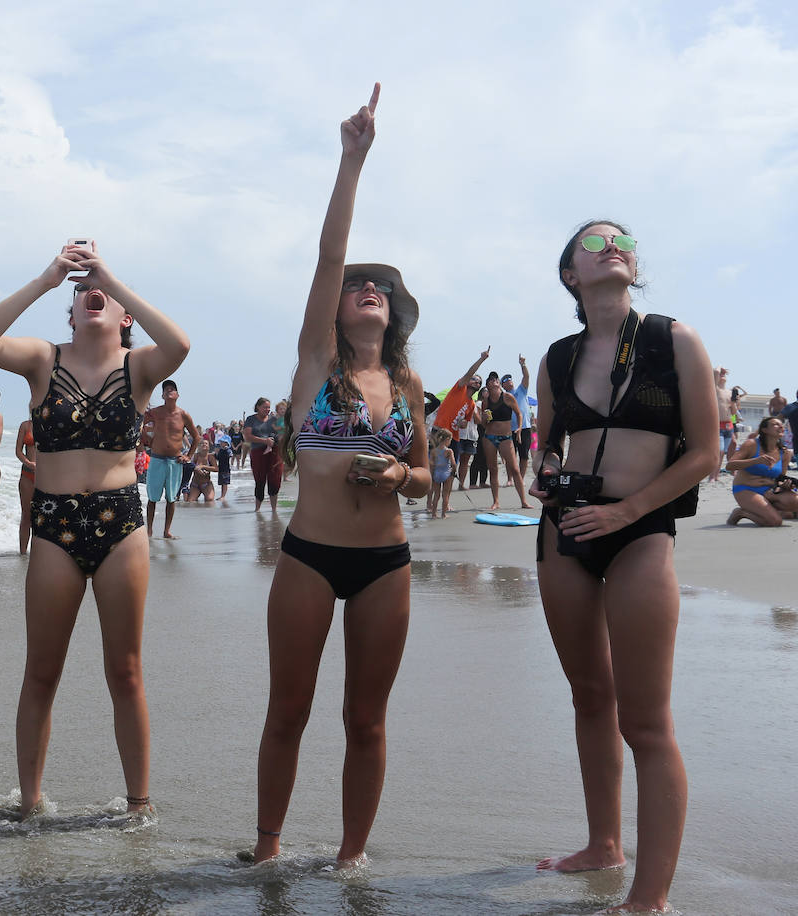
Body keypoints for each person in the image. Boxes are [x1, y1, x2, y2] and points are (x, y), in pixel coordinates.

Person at [253, 84, 429, 867]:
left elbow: (426, 477)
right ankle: (267, 848)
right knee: (288, 709)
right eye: (361, 286)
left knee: (368, 719)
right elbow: (330, 256)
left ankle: (352, 857)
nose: (368, 290)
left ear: (394, 315)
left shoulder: (411, 389)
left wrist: (401, 473)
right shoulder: (316, 364)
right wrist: (351, 160)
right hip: (309, 556)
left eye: (382, 290)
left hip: (386, 562)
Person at [530, 219, 718, 913]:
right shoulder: (556, 357)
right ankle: (603, 844)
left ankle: (649, 897)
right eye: (594, 241)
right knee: (589, 696)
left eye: (625, 242)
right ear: (570, 276)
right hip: (565, 532)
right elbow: (549, 443)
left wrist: (623, 512)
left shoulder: (674, 340)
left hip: (640, 531)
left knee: (645, 721)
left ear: (634, 271)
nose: (614, 246)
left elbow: (705, 454)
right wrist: (547, 476)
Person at [0, 241, 190, 818]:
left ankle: (139, 804)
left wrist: (112, 278)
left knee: (127, 670)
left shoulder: (139, 367)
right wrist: (46, 277)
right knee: (41, 670)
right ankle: (30, 803)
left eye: (104, 294)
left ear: (123, 312)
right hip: (55, 525)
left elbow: (180, 343)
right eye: (82, 293)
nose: (92, 294)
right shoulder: (44, 359)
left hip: (121, 525)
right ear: (70, 312)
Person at [143, 380, 197, 538]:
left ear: (177, 395)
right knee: (152, 497)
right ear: (162, 395)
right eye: (166, 390)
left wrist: (188, 456)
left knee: (171, 498)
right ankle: (149, 530)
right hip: (157, 459)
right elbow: (140, 424)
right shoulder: (155, 412)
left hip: (175, 461)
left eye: (172, 389)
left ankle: (167, 531)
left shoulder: (183, 415)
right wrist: (146, 439)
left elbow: (196, 437)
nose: (169, 391)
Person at [725, 417, 798, 527]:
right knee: (775, 522)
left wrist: (784, 485)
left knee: (797, 502)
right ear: (764, 430)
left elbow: (780, 478)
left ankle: (766, 509)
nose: (781, 426)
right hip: (746, 489)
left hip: (769, 490)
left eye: (782, 425)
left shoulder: (785, 453)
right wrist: (756, 460)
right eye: (775, 424)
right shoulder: (751, 444)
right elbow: (730, 465)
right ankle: (741, 513)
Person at [433, 350, 489, 498]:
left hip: (454, 437)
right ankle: (429, 503)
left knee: (452, 468)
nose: (476, 382)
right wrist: (481, 359)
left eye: (479, 382)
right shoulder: (460, 388)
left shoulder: (471, 404)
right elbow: (470, 372)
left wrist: (463, 423)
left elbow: (466, 423)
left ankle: (446, 500)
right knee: (434, 465)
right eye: (474, 379)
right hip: (439, 430)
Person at [476, 371, 532, 510]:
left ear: (499, 384)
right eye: (491, 380)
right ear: (487, 386)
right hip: (489, 437)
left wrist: (519, 428)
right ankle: (496, 502)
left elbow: (519, 413)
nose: (494, 381)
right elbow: (484, 424)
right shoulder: (486, 401)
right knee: (493, 469)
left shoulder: (508, 397)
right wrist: (484, 418)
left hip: (506, 437)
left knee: (514, 469)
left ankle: (524, 501)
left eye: (496, 379)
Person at [245, 398, 282, 511]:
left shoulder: (274, 419)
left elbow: (282, 432)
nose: (267, 409)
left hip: (274, 452)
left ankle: (274, 510)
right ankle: (257, 510)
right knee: (260, 480)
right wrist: (264, 441)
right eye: (265, 407)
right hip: (258, 452)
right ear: (258, 407)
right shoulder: (251, 419)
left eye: (268, 407)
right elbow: (247, 436)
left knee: (275, 480)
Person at [503, 358, 533, 481]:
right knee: (511, 456)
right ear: (503, 385)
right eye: (505, 380)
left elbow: (526, 376)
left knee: (524, 455)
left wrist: (523, 364)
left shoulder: (521, 390)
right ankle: (510, 479)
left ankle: (520, 478)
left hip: (524, 427)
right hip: (510, 429)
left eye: (510, 379)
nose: (509, 381)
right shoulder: (503, 396)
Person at [16, 418, 37, 554]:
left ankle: (38, 554)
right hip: (27, 473)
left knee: (42, 517)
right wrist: (28, 463)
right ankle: (22, 555)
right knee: (26, 516)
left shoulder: (52, 423)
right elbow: (18, 451)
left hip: (47, 475)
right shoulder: (26, 425)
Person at [426, 426, 457, 519]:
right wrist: (453, 472)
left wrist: (431, 475)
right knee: (445, 495)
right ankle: (443, 514)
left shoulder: (433, 451)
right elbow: (454, 464)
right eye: (450, 440)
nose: (450, 442)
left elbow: (431, 464)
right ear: (447, 439)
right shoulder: (449, 451)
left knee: (436, 495)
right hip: (446, 473)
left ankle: (434, 514)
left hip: (436, 474)